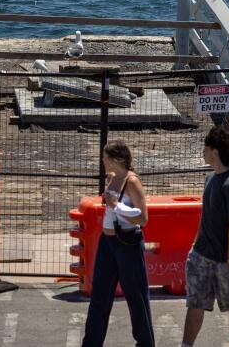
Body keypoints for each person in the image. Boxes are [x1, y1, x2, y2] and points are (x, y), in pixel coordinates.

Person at [181, 125, 229, 347]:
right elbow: (207, 214)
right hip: (202, 254)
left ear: (215, 152)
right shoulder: (211, 178)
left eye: (206, 147)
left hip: (225, 259)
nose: (203, 151)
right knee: (195, 302)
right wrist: (195, 242)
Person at [83, 140, 153, 347]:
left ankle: (146, 343)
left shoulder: (132, 181)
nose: (103, 161)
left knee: (136, 296)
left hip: (127, 242)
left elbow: (143, 219)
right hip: (108, 242)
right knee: (100, 297)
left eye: (105, 158)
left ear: (116, 160)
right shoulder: (112, 177)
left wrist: (117, 206)